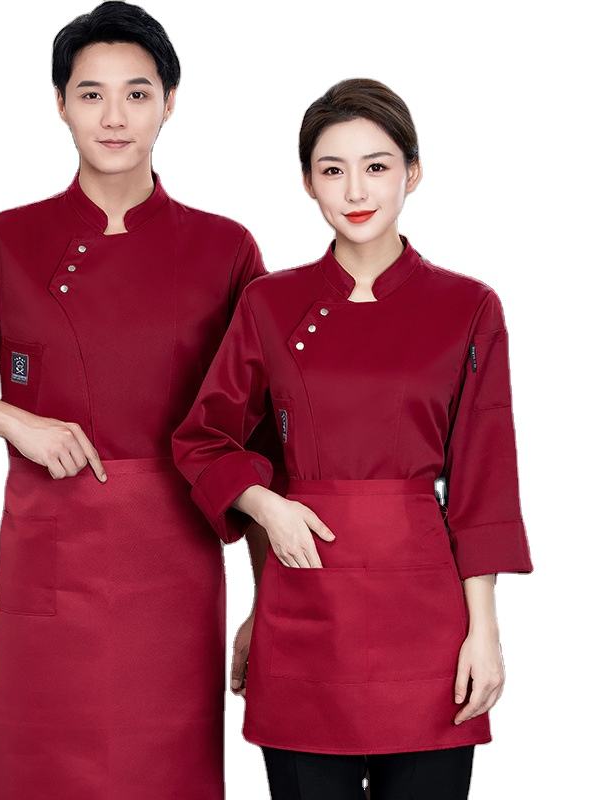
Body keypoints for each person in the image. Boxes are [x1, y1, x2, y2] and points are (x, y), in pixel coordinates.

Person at [0, 3, 284, 798]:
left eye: (137, 93)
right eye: (91, 94)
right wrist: (8, 419)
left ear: (170, 102)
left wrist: (270, 602)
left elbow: (259, 445)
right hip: (49, 573)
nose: (114, 117)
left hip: (174, 582)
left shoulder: (225, 249)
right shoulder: (7, 241)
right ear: (60, 104)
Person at [171, 77, 534, 799]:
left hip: (427, 617)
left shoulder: (469, 306)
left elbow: (484, 478)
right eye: (333, 170)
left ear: (412, 172)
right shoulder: (268, 303)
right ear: (308, 183)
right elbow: (204, 438)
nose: (356, 189)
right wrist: (267, 505)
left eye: (377, 166)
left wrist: (485, 631)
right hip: (304, 606)